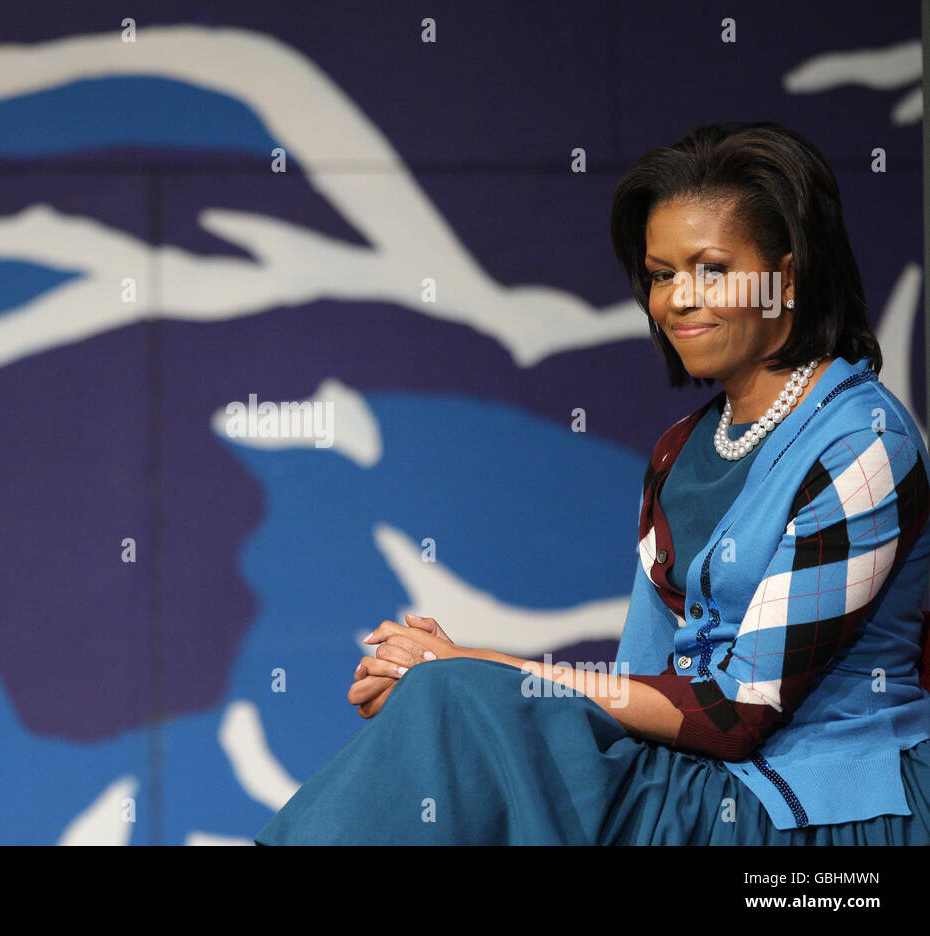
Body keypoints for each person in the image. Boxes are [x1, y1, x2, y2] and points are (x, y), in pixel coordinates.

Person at [254, 121, 930, 845]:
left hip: (821, 814)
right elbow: (636, 684)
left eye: (710, 269)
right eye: (662, 274)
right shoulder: (681, 451)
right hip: (694, 783)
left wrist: (473, 668)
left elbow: (737, 713)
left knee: (458, 695)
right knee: (448, 708)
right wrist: (438, 681)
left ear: (785, 279)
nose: (677, 299)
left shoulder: (863, 443)